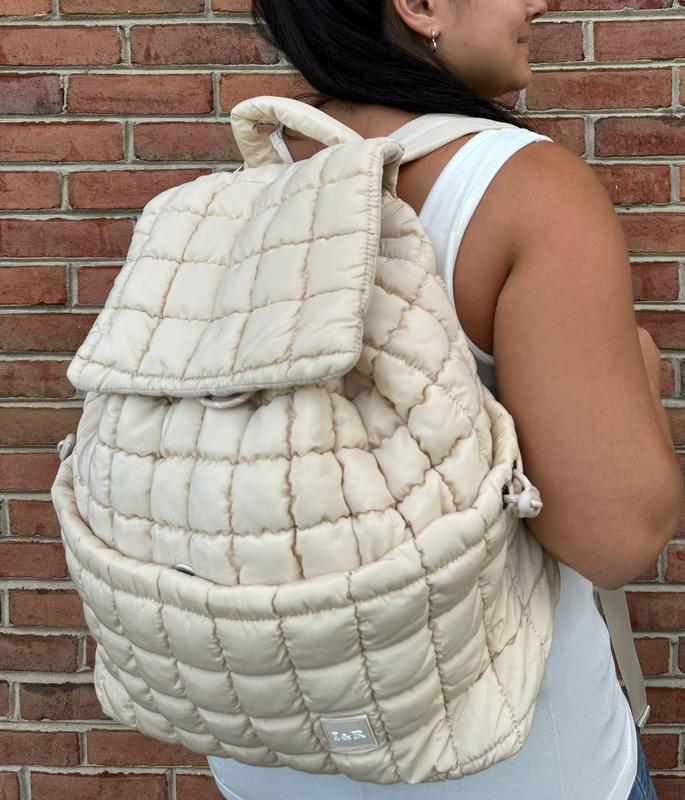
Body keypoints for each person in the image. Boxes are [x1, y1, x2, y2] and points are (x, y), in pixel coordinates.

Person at [208, 1, 684, 797]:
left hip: (268, 758)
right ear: (420, 5)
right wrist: (639, 372)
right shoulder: (522, 188)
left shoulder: (241, 190)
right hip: (515, 768)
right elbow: (615, 538)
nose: (538, 3)